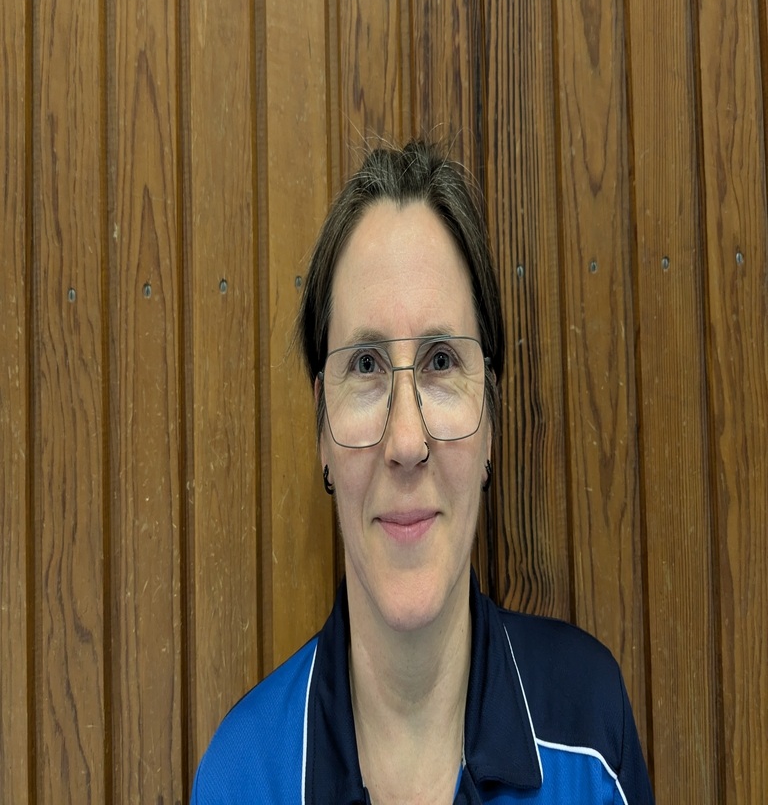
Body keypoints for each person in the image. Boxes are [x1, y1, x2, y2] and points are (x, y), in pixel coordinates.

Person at [191, 140, 654, 804]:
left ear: (489, 420)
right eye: (366, 365)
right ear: (322, 430)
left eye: (441, 361)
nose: (407, 442)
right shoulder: (242, 776)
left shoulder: (588, 731)